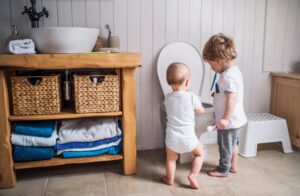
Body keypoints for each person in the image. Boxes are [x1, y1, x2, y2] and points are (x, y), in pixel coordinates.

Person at [202, 33, 247, 177]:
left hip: (230, 121)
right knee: (233, 144)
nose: (211, 67)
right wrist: (217, 94)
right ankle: (233, 165)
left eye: (211, 64)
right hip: (237, 120)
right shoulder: (232, 72)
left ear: (219, 60)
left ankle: (223, 170)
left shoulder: (228, 77)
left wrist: (225, 119)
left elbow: (231, 100)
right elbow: (230, 94)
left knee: (225, 146)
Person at [163, 62, 205, 189]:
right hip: (189, 138)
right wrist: (198, 107)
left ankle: (170, 179)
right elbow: (201, 111)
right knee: (199, 154)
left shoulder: (167, 98)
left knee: (171, 159)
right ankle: (193, 175)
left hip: (172, 139)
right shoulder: (192, 97)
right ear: (187, 82)